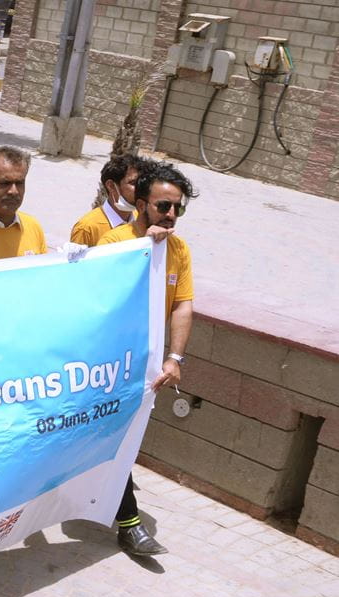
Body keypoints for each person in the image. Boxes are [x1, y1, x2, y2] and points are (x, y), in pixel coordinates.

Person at [97, 162, 198, 556]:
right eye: (162, 206)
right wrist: (140, 252)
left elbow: (183, 305)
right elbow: (100, 301)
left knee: (119, 443)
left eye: (177, 208)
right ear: (140, 204)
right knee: (114, 441)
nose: (170, 215)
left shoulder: (180, 250)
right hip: (108, 367)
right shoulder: (114, 243)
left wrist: (175, 357)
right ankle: (130, 524)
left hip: (147, 371)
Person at [71, 154, 146, 247]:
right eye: (133, 183)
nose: (140, 189)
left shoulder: (140, 218)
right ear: (111, 186)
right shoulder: (87, 228)